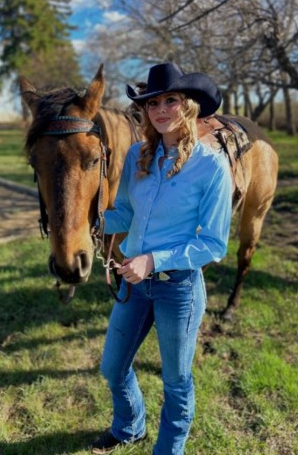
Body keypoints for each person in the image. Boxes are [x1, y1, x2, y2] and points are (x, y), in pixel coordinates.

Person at [91, 63, 232, 454]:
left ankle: (168, 450)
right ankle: (129, 428)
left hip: (179, 289)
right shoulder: (138, 155)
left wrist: (152, 260)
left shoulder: (211, 167)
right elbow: (123, 213)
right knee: (113, 368)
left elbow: (214, 244)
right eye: (153, 102)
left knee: (176, 380)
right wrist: (89, 216)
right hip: (135, 285)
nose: (161, 109)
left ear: (188, 106)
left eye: (171, 100)